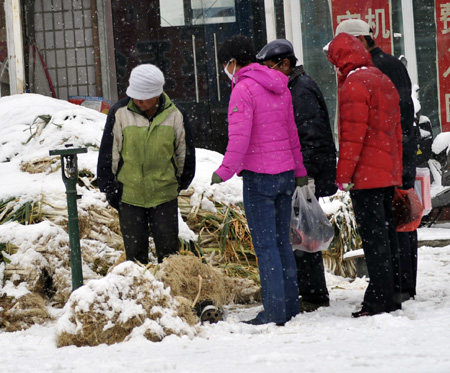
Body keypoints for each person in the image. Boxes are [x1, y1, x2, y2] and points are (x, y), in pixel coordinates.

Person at [211, 35, 308, 325]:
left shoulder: (243, 89)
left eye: (224, 64)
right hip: (285, 176)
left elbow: (239, 139)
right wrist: (300, 172)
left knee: (265, 248)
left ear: (232, 62)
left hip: (260, 180)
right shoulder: (280, 85)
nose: (224, 70)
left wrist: (224, 171)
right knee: (281, 244)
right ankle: (290, 306)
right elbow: (292, 135)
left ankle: (275, 311)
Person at [335, 19, 418, 302]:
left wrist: (344, 174)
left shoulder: (370, 73)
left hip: (378, 169)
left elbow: (359, 133)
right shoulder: (379, 72)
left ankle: (395, 289)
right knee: (392, 230)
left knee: (390, 230)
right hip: (388, 164)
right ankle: (397, 287)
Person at [256, 39, 337, 312]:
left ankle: (314, 294)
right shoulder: (291, 87)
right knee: (299, 234)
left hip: (307, 173)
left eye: (271, 67)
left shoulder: (299, 90)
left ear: (286, 64)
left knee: (304, 236)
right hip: (300, 171)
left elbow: (312, 136)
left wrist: (308, 176)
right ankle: (309, 291)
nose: (267, 73)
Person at [326, 32, 403, 317]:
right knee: (387, 236)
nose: (334, 66)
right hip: (385, 174)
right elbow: (395, 130)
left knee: (374, 240)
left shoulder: (354, 84)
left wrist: (343, 176)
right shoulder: (382, 79)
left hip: (367, 177)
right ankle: (393, 294)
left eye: (334, 59)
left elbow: (352, 137)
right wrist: (395, 169)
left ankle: (377, 300)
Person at [97, 64, 195, 264]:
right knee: (135, 257)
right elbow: (110, 152)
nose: (138, 101)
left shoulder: (176, 114)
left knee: (169, 256)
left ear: (157, 94)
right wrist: (109, 187)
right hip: (130, 194)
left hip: (164, 194)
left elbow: (184, 153)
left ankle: (169, 292)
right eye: (136, 96)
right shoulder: (120, 112)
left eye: (144, 97)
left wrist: (180, 182)